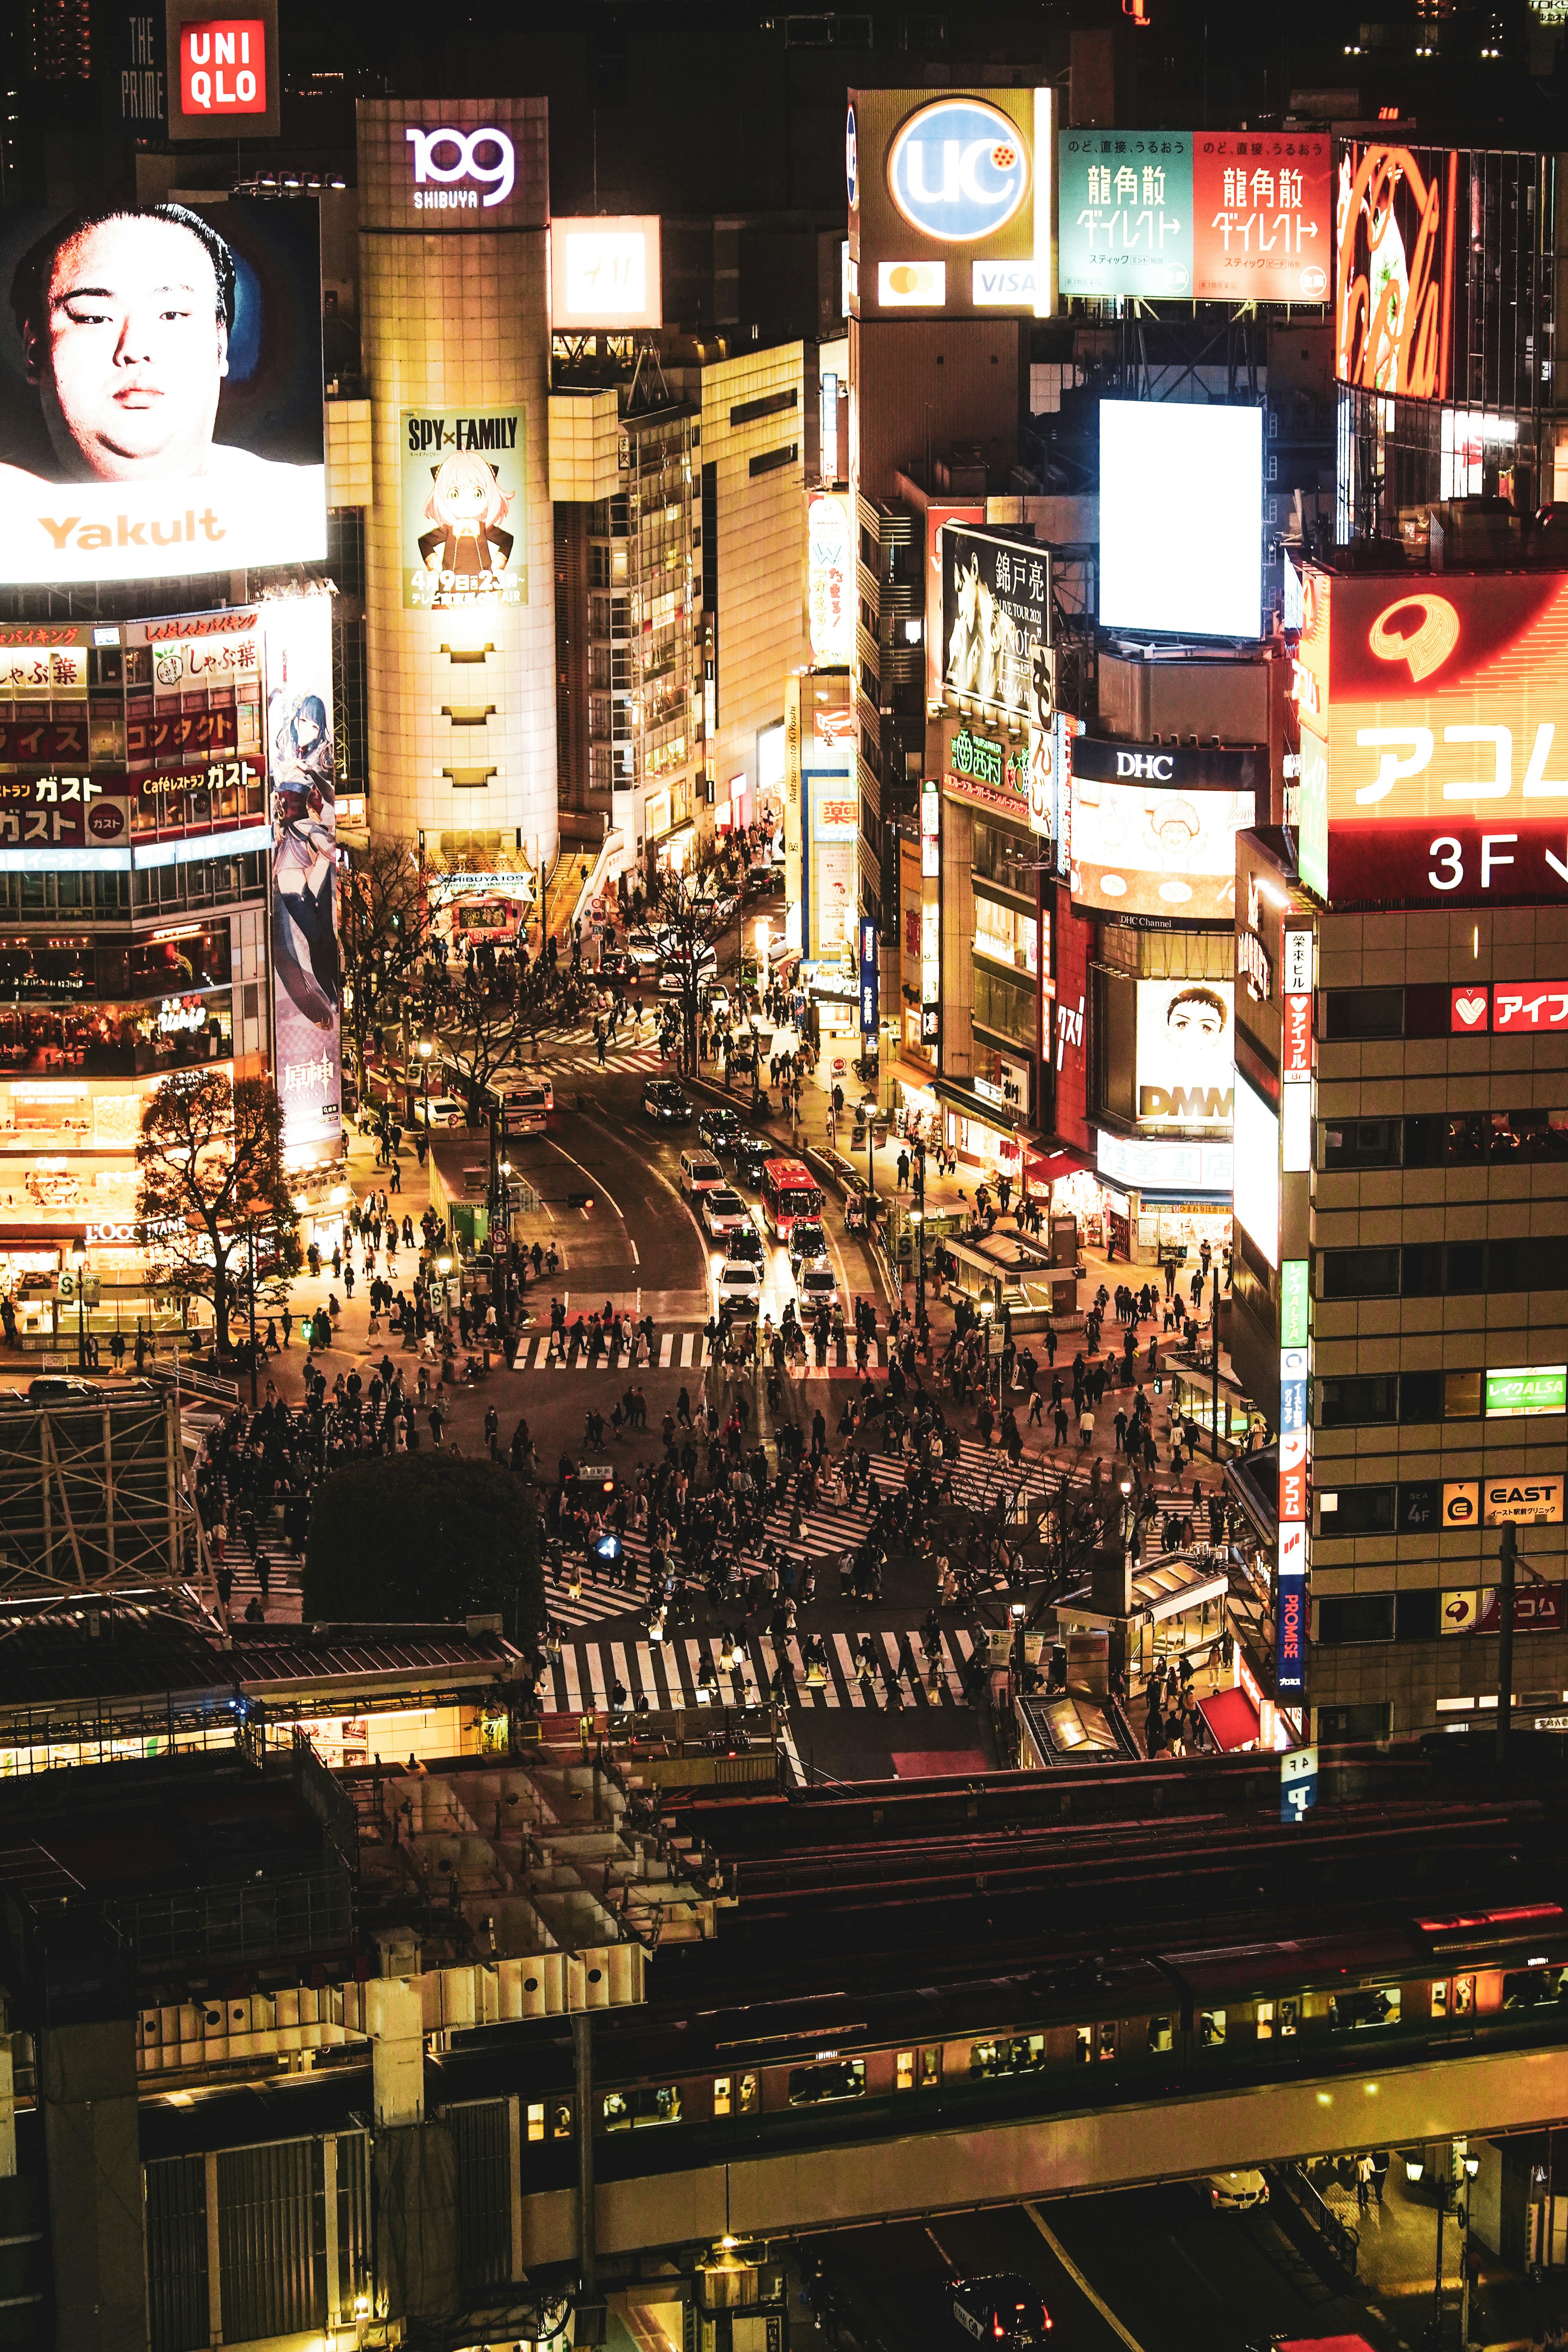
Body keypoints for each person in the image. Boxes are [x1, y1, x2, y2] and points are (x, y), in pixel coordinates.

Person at [5, 203, 318, 493]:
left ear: (220, 343)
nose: (136, 349)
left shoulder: (288, 500)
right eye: (94, 318)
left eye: (172, 314)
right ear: (34, 349)